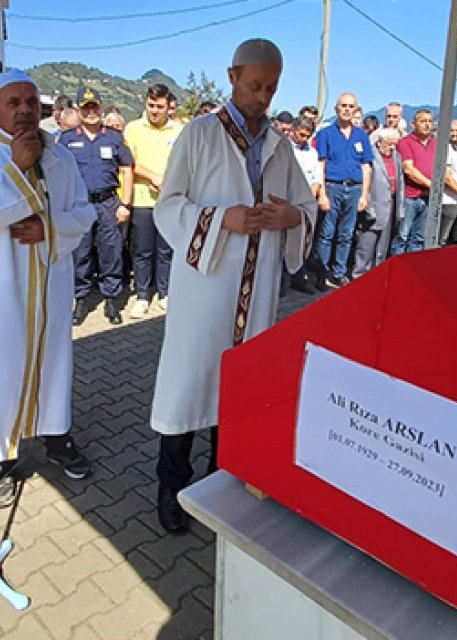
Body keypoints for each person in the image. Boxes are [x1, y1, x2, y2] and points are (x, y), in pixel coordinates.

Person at [151, 38, 315, 534]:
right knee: (189, 380)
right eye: (254, 84)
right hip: (207, 283)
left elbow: (304, 208)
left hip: (258, 279)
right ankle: (172, 485)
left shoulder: (280, 145)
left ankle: (223, 480)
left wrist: (290, 216)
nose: (262, 96)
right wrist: (223, 218)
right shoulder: (199, 135)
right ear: (232, 75)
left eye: (270, 88)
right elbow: (167, 205)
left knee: (241, 381)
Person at [0, 69, 98, 507]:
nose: (26, 110)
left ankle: (55, 436)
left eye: (31, 102)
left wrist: (49, 228)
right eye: (14, 102)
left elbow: (83, 214)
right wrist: (18, 167)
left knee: (51, 360)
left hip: (48, 281)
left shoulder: (62, 157)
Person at [58, 86, 134, 326]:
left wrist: (125, 203)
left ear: (100, 108)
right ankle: (80, 299)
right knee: (80, 252)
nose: (91, 111)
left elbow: (127, 169)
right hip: (79, 205)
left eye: (94, 106)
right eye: (86, 107)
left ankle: (111, 299)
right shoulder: (68, 139)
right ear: (79, 110)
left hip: (108, 203)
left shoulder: (113, 137)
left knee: (111, 251)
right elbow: (58, 172)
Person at [123, 83, 181, 319]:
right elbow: (129, 162)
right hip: (142, 200)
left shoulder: (178, 131)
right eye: (150, 105)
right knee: (143, 251)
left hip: (169, 201)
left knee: (166, 250)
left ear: (169, 107)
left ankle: (165, 293)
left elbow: (184, 163)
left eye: (159, 106)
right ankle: (142, 295)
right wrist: (153, 177)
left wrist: (169, 180)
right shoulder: (133, 129)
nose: (154, 111)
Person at [313, 92, 372, 288]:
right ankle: (321, 272)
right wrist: (322, 194)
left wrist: (364, 195)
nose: (347, 109)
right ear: (336, 109)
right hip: (332, 187)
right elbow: (320, 164)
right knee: (326, 233)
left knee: (346, 234)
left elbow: (366, 167)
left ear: (356, 110)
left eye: (350, 106)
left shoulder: (362, 136)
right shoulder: (325, 134)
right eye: (343, 106)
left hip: (354, 189)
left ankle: (338, 272)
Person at [354, 127, 401, 277]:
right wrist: (366, 202)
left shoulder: (397, 157)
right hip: (373, 205)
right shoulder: (371, 156)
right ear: (379, 142)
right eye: (389, 144)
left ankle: (377, 276)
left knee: (382, 248)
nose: (392, 148)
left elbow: (400, 182)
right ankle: (359, 276)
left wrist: (400, 208)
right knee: (366, 246)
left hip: (389, 206)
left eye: (395, 144)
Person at [391, 109, 435, 255]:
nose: (427, 125)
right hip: (410, 197)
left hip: (428, 198)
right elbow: (409, 169)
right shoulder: (405, 142)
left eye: (430, 121)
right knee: (402, 236)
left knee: (418, 238)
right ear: (414, 124)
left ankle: (411, 272)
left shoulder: (436, 144)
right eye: (423, 121)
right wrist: (432, 185)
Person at [287, 116, 321, 294]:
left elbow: (316, 177)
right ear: (293, 130)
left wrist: (309, 197)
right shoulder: (283, 149)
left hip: (304, 202)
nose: (304, 139)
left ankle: (299, 277)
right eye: (302, 134)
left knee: (302, 241)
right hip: (286, 200)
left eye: (308, 136)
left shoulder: (312, 153)